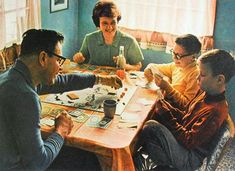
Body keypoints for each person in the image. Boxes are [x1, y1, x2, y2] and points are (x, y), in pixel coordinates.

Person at [0, 29, 122, 170]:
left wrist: (100, 79)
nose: (60, 67)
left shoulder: (13, 76)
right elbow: (38, 164)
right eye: (58, 60)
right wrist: (61, 130)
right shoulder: (25, 97)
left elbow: (63, 81)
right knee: (90, 159)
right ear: (43, 58)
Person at [134, 49, 235, 170]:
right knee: (154, 115)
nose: (197, 77)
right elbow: (187, 114)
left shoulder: (215, 111)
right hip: (185, 146)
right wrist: (169, 108)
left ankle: (162, 166)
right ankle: (149, 161)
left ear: (220, 79)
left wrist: (167, 115)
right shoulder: (205, 93)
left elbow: (189, 141)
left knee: (151, 126)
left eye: (202, 75)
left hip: (189, 158)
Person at [73, 0, 144, 71]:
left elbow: (138, 66)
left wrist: (124, 65)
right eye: (105, 23)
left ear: (117, 21)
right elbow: (81, 60)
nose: (110, 27)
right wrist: (78, 59)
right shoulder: (89, 39)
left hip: (118, 80)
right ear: (98, 23)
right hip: (94, 79)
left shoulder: (130, 41)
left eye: (113, 23)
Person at [144, 34, 201, 110]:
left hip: (176, 115)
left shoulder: (195, 74)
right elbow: (153, 66)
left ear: (193, 57)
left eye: (178, 56)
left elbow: (186, 105)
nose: (174, 58)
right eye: (173, 53)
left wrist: (168, 88)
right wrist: (149, 68)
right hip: (167, 107)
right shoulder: (176, 66)